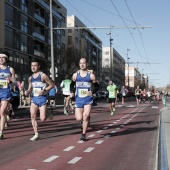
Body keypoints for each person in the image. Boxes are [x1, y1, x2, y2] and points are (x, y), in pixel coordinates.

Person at [70, 58, 99, 141]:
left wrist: (92, 92)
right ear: (79, 64)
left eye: (84, 63)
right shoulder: (75, 75)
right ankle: (82, 121)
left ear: (87, 64)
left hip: (88, 99)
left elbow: (97, 86)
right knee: (79, 118)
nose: (82, 65)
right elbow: (71, 85)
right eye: (80, 63)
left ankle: (83, 134)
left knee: (85, 117)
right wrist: (72, 92)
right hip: (78, 99)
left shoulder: (91, 76)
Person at [25, 59, 54, 141]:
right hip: (34, 99)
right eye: (32, 66)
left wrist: (44, 90)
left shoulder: (43, 76)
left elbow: (52, 85)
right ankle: (36, 134)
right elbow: (30, 88)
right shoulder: (30, 78)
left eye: (35, 65)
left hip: (42, 99)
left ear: (39, 66)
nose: (33, 67)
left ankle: (46, 113)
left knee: (42, 119)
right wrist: (28, 91)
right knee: (33, 116)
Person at [0, 51, 15, 140]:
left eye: (3, 57)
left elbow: (14, 82)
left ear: (7, 59)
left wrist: (10, 81)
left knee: (1, 112)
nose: (1, 59)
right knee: (1, 112)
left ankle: (1, 132)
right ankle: (7, 114)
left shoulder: (10, 69)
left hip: (5, 92)